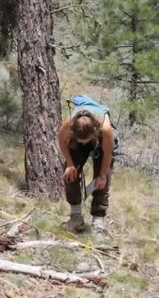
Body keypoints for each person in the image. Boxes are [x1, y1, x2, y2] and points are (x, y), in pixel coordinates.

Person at [58, 95, 120, 234]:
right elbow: (62, 142)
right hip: (83, 135)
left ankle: (98, 221)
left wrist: (102, 176)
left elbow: (107, 154)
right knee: (69, 173)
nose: (84, 144)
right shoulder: (69, 125)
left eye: (85, 141)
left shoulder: (105, 130)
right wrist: (70, 164)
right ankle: (76, 217)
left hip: (101, 141)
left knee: (102, 179)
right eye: (81, 141)